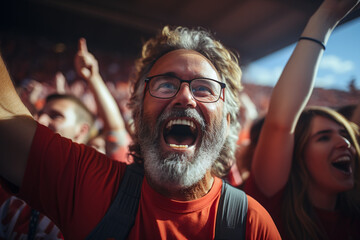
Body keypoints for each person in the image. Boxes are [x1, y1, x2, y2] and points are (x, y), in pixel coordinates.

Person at [0, 27, 281, 240]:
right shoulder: (90, 184)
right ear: (137, 112)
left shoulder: (251, 224)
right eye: (166, 85)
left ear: (227, 120)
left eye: (203, 88)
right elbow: (5, 116)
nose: (185, 97)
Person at [244, 0, 360, 239]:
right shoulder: (272, 210)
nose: (344, 143)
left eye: (345, 134)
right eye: (323, 137)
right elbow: (280, 122)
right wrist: (326, 17)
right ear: (296, 157)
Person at [0, 93, 95, 239]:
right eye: (39, 113)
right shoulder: (7, 174)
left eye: (55, 116)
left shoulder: (93, 197)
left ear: (81, 131)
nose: (39, 120)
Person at [74, 38, 132, 163]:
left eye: (101, 147)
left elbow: (115, 127)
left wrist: (93, 77)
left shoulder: (119, 172)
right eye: (91, 146)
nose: (95, 150)